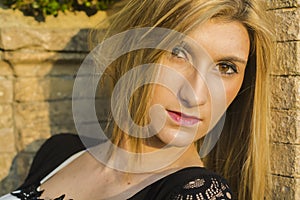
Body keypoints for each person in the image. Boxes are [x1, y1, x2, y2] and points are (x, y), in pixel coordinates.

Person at [0, 0, 274, 199]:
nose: (196, 95)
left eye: (225, 67)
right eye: (178, 52)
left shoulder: (194, 193)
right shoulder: (59, 152)